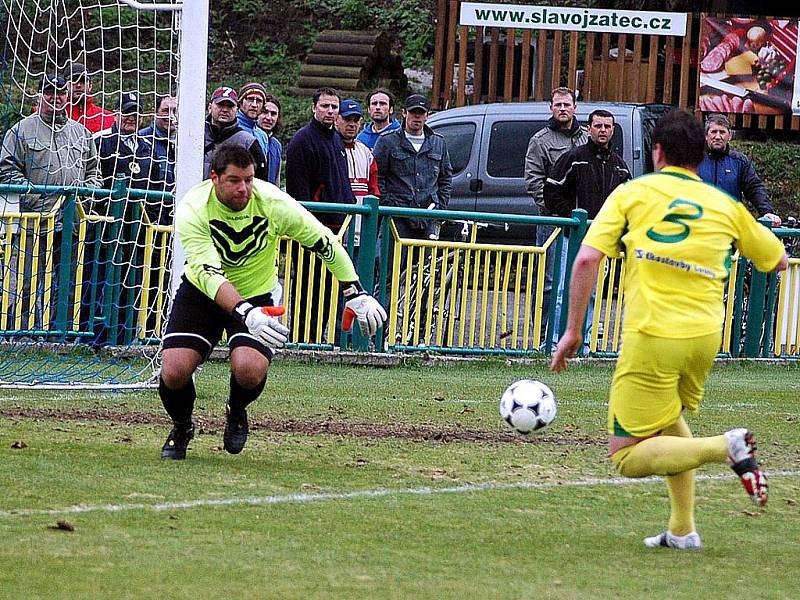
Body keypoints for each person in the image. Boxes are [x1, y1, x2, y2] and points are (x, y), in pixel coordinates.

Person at [550, 109, 788, 550]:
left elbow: (585, 259)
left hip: (653, 335)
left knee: (625, 455)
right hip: (704, 338)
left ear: (656, 153)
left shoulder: (633, 192)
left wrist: (572, 331)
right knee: (670, 422)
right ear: (701, 156)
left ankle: (727, 446)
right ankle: (683, 530)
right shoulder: (726, 205)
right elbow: (777, 260)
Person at [159, 144, 386, 460]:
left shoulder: (273, 202)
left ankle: (236, 410)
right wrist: (244, 313)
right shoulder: (193, 208)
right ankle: (182, 426)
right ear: (214, 178)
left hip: (257, 293)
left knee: (249, 369)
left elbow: (323, 242)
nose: (244, 189)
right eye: (235, 181)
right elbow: (208, 274)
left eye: (249, 179)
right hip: (203, 294)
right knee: (173, 370)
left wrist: (355, 291)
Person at [0, 73, 102, 335]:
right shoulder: (21, 130)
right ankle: (19, 333)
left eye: (60, 93)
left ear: (68, 96)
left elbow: (94, 171)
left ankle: (61, 335)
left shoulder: (81, 133)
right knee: (25, 281)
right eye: (49, 92)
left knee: (68, 282)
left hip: (72, 221)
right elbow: (7, 169)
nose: (55, 98)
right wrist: (35, 196)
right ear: (39, 95)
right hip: (34, 221)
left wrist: (84, 196)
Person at [543, 109, 630, 352]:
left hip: (600, 242)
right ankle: (552, 343)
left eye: (607, 126)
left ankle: (584, 344)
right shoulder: (574, 158)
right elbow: (551, 191)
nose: (603, 130)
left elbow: (630, 202)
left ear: (612, 130)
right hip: (572, 239)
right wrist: (571, 217)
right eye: (598, 125)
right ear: (589, 128)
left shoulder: (619, 167)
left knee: (591, 294)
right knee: (562, 291)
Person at [285, 87, 355, 343]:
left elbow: (340, 182)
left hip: (337, 228)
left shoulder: (336, 138)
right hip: (312, 230)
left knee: (327, 289)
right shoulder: (302, 141)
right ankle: (303, 339)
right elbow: (298, 192)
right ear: (314, 107)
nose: (330, 111)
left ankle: (317, 339)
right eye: (325, 106)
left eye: (334, 107)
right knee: (308, 288)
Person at [524, 87, 588, 339]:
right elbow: (533, 181)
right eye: (558, 105)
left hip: (582, 222)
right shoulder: (540, 140)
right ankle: (544, 336)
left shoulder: (587, 139)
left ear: (575, 107)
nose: (563, 109)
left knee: (581, 279)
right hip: (551, 221)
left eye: (567, 104)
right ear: (551, 108)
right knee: (549, 282)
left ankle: (574, 335)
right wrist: (556, 209)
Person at [372, 93, 452, 241]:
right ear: (404, 113)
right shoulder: (387, 141)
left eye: (421, 113)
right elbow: (377, 177)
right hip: (397, 217)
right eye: (413, 112)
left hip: (430, 214)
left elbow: (446, 178)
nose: (417, 117)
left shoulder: (438, 143)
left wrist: (441, 208)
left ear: (427, 115)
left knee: (427, 263)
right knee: (391, 263)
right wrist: (390, 205)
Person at [698, 114, 781, 227]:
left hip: (731, 227)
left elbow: (754, 188)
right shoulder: (693, 160)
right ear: (706, 135)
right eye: (713, 132)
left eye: (722, 132)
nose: (718, 137)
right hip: (698, 226)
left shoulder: (739, 161)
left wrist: (767, 212)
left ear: (730, 136)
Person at [335, 98, 379, 249]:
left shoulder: (365, 152)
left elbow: (374, 190)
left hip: (361, 228)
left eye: (356, 120)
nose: (352, 124)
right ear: (337, 119)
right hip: (335, 228)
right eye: (347, 119)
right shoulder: (329, 148)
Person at [203, 86, 268, 181]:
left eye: (230, 106)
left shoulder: (248, 142)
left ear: (236, 109)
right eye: (220, 105)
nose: (225, 110)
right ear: (210, 107)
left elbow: (261, 180)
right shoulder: (195, 135)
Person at [138, 94, 178, 219]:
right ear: (156, 113)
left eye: (175, 111)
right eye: (166, 111)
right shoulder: (142, 139)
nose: (171, 116)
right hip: (150, 215)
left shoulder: (188, 142)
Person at [235, 82, 277, 184]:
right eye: (250, 99)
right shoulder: (232, 128)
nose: (254, 105)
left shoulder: (262, 135)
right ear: (241, 102)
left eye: (258, 101)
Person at [64, 62, 115, 134]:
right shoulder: (56, 115)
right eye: (73, 80)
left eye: (82, 81)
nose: (78, 85)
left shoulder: (107, 117)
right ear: (65, 85)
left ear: (90, 86)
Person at [256, 92, 283, 186]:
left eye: (273, 114)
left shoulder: (276, 145)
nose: (269, 118)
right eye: (264, 112)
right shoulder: (249, 139)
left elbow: (276, 180)